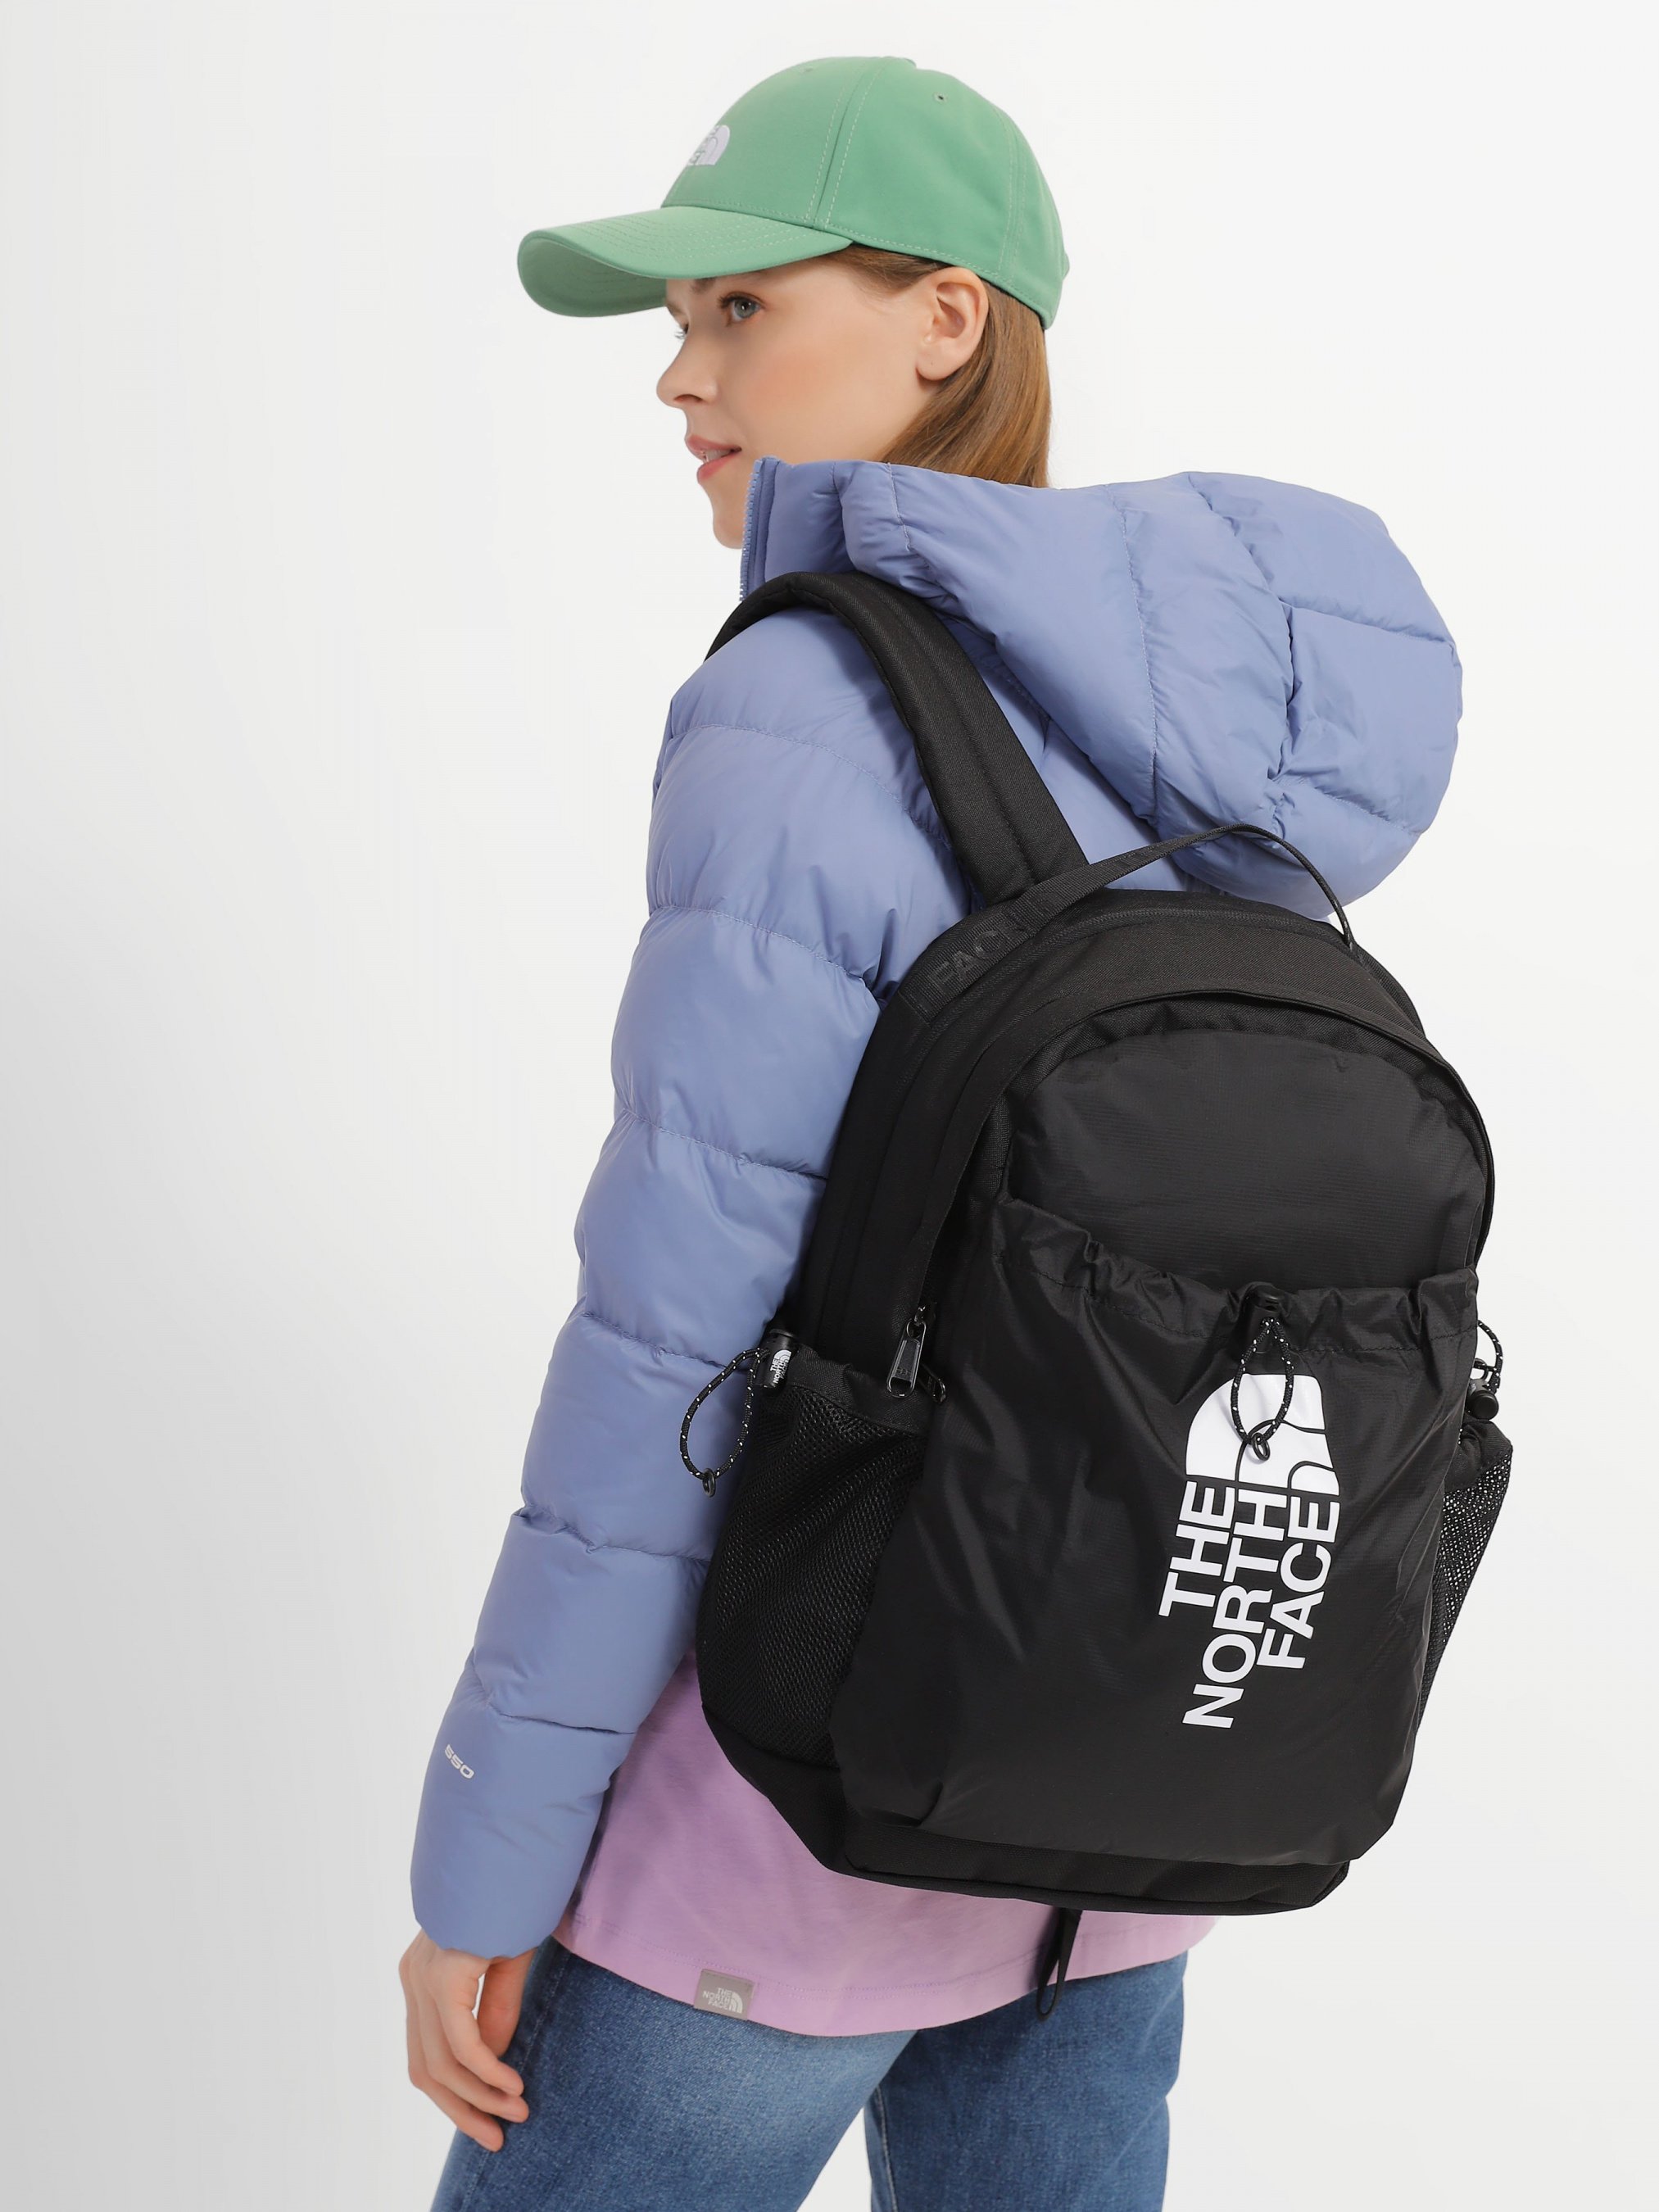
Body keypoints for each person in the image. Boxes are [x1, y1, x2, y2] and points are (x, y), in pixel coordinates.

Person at [400, 55, 1462, 2212]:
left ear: (945, 321)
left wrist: (485, 1865)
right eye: (675, 324)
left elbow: (673, 1341)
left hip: (780, 1851)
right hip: (1119, 1815)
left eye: (740, 308)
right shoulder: (1228, 745)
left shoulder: (805, 704)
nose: (681, 376)